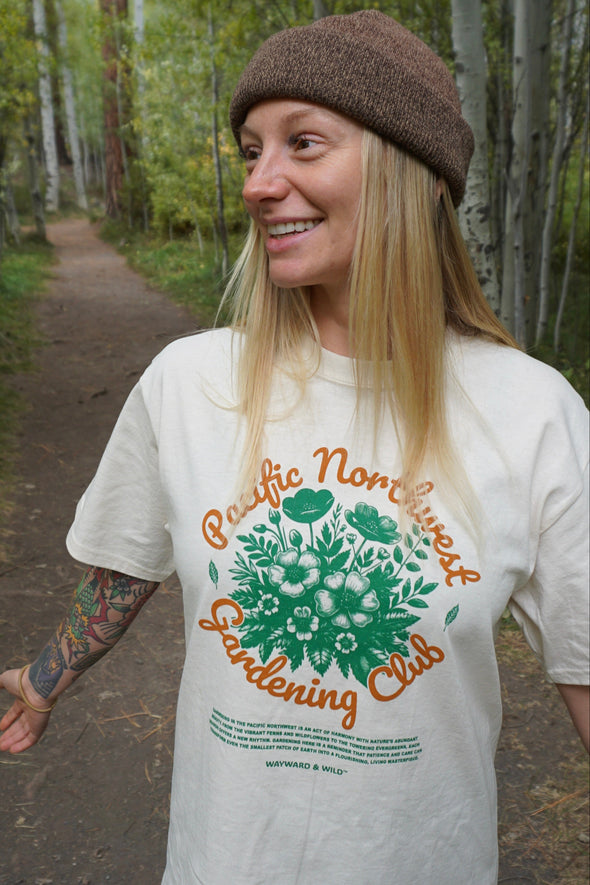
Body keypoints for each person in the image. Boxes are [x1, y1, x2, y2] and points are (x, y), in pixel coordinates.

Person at [1, 10, 588, 884]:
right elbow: (130, 559)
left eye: (303, 144)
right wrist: (46, 676)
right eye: (250, 151)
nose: (257, 184)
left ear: (417, 172)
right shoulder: (190, 381)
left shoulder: (533, 411)